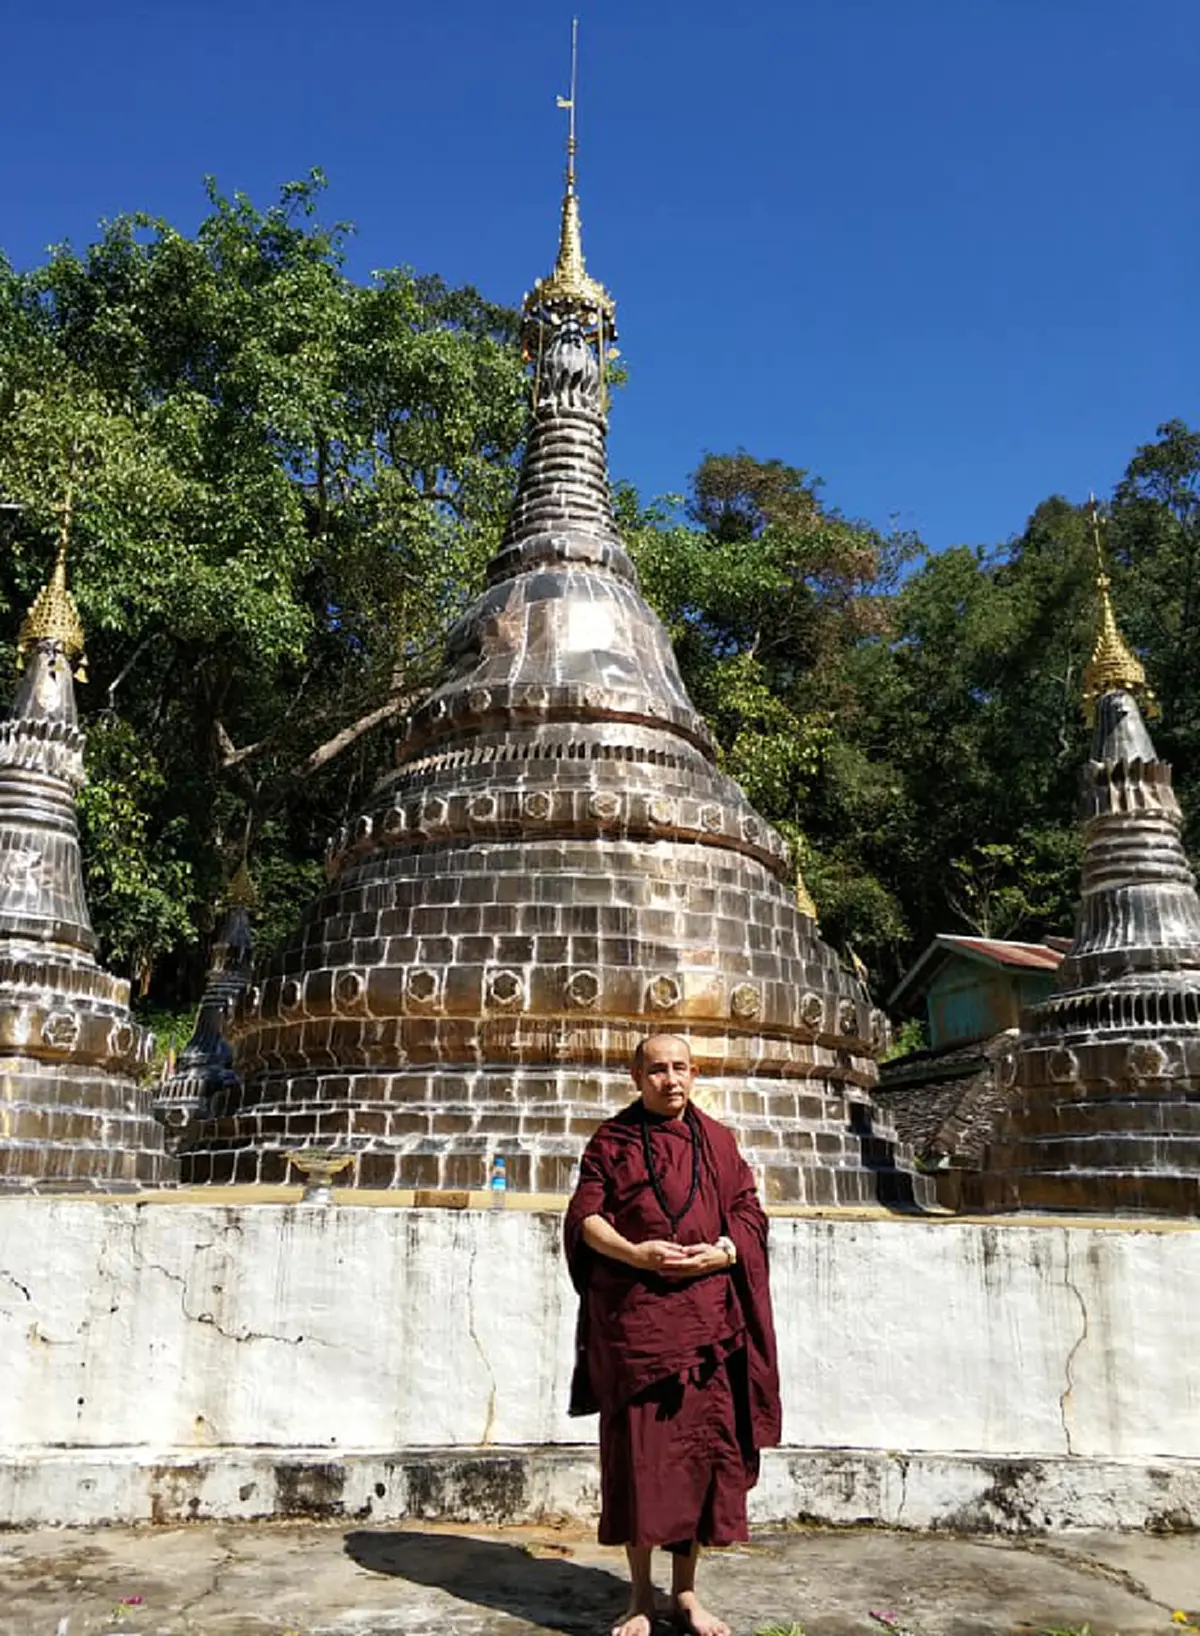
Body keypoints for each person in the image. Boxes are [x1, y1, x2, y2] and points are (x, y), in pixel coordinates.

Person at [564, 1033, 781, 1636]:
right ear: (636, 1076)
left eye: (680, 1068)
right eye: (657, 1069)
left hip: (711, 1325)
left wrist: (725, 1252)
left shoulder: (718, 1141)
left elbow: (748, 1211)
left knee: (699, 1464)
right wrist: (637, 1254)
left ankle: (685, 1592)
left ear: (695, 1072)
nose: (670, 1080)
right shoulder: (612, 1141)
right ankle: (638, 1597)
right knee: (639, 1464)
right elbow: (585, 1219)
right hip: (640, 1327)